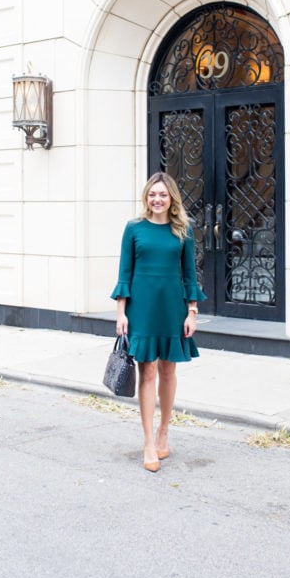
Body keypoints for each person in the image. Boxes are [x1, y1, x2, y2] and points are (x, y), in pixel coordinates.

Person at [111, 171, 206, 472]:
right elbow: (124, 273)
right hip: (142, 307)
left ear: (171, 198)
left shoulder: (183, 230)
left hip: (172, 307)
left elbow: (190, 275)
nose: (157, 199)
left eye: (163, 195)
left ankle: (165, 429)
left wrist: (192, 312)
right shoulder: (134, 228)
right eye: (152, 194)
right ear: (146, 198)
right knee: (147, 371)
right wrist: (121, 313)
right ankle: (149, 441)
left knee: (168, 370)